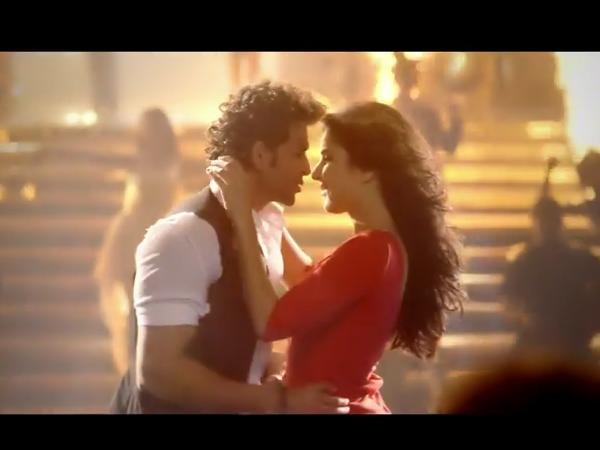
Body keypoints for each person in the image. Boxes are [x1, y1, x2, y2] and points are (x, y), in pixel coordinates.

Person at [208, 101, 466, 413]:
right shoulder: (385, 246)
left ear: (367, 170)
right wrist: (266, 212)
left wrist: (242, 216)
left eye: (328, 158)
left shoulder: (371, 249)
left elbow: (270, 322)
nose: (316, 173)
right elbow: (308, 280)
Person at [110, 81, 350, 414]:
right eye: (297, 153)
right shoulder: (186, 236)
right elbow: (159, 372)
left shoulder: (267, 218)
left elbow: (308, 285)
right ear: (262, 155)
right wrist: (279, 401)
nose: (306, 169)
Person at [94, 108, 181, 375]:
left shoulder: (169, 165)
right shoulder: (129, 223)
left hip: (161, 223)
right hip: (142, 226)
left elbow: (167, 192)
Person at [502, 159, 600, 364]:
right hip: (554, 337)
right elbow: (510, 302)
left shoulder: (527, 259)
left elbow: (510, 301)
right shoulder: (527, 259)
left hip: (568, 338)